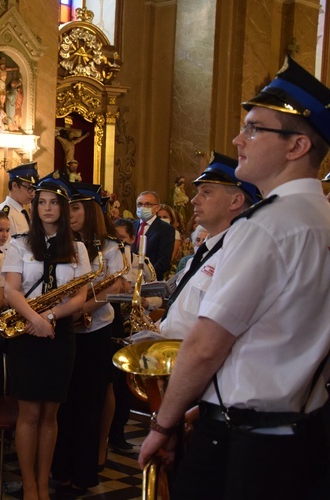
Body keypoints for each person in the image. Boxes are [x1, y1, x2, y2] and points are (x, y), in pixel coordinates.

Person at [138, 55, 330, 499]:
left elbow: (206, 344)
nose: (236, 139)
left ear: (297, 146)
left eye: (253, 128)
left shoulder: (265, 226)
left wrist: (163, 422)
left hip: (246, 443)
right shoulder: (320, 216)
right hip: (302, 430)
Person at [2, 172, 91, 500]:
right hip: (26, 330)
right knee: (29, 413)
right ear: (35, 206)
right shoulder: (19, 243)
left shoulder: (77, 248)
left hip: (60, 332)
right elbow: (12, 291)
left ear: (64, 208)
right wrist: (35, 320)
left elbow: (80, 297)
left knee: (50, 413)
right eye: (42, 202)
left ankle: (44, 484)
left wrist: (50, 317)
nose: (48, 208)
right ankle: (29, 487)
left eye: (55, 203)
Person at [52, 182, 125, 496]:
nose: (70, 215)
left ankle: (84, 470)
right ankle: (61, 468)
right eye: (68, 209)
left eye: (77, 208)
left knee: (88, 402)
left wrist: (81, 308)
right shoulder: (61, 243)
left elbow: (113, 288)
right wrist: (69, 311)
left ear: (91, 211)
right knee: (64, 403)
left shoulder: (110, 248)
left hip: (95, 331)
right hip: (67, 330)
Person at [158, 152, 258, 342]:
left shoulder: (237, 255)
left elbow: (218, 336)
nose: (194, 200)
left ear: (236, 201)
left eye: (206, 192)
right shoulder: (206, 251)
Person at [133, 191, 175, 280]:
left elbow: (164, 260)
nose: (143, 207)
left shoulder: (166, 229)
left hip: (150, 280)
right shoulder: (131, 226)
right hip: (129, 279)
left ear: (157, 208)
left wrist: (146, 277)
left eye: (147, 204)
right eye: (140, 204)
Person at [0, 162, 39, 240]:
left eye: (34, 189)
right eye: (29, 188)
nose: (33, 193)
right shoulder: (4, 213)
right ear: (15, 186)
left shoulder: (22, 212)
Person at [156, 203, 182, 269]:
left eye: (165, 217)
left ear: (171, 219)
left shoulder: (175, 233)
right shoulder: (152, 232)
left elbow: (170, 258)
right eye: (159, 217)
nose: (162, 219)